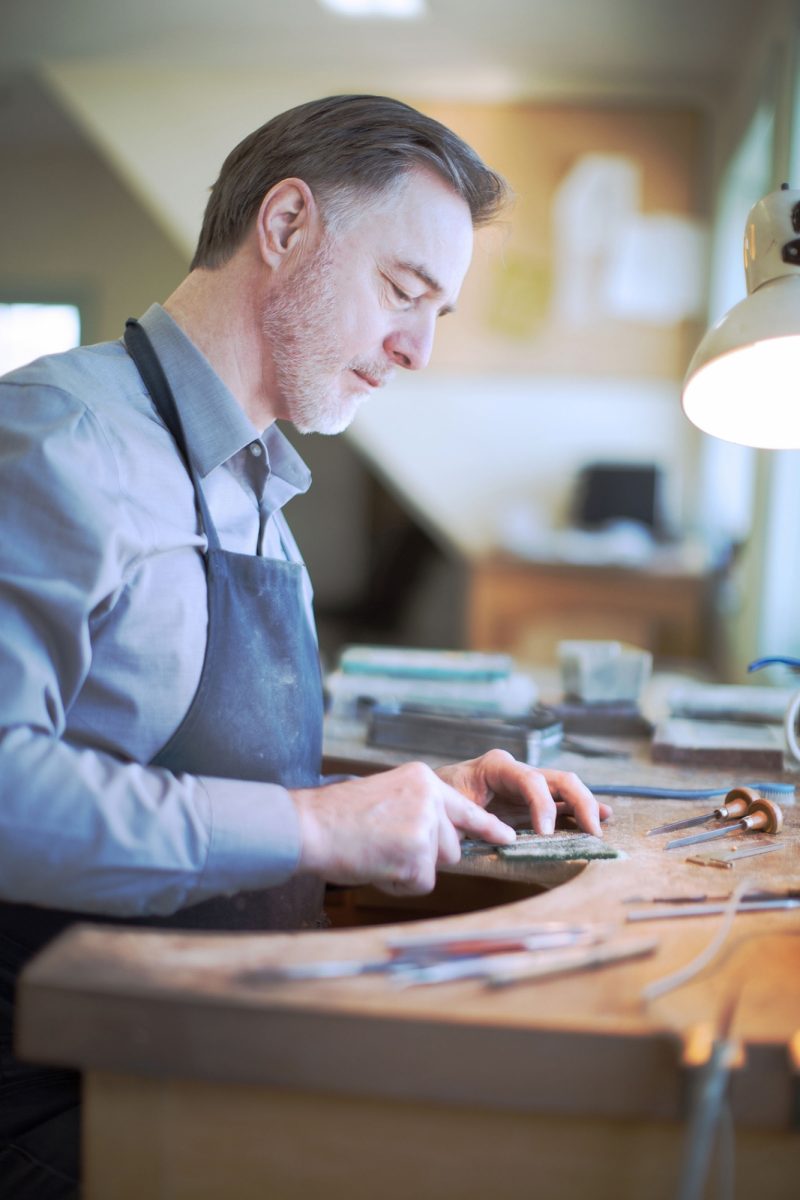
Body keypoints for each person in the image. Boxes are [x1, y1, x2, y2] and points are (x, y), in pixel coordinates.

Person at [0, 94, 611, 1196]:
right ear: (284, 228)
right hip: (60, 1087)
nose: (418, 350)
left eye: (439, 311)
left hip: (216, 1035)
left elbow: (214, 782)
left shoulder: (263, 499)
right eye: (402, 291)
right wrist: (311, 823)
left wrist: (405, 793)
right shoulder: (60, 443)